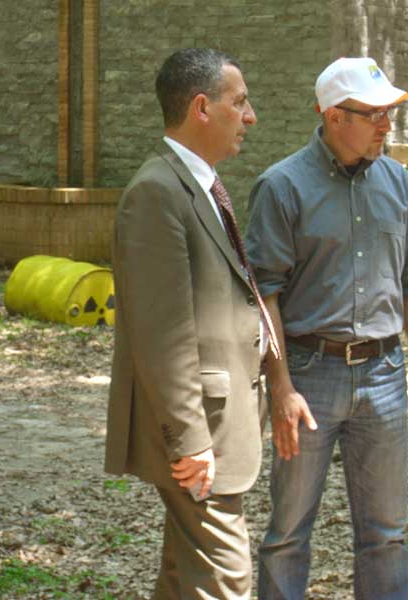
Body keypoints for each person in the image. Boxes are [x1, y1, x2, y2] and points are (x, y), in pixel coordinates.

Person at [245, 57, 408, 600]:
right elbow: (265, 294)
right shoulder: (281, 187)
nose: (386, 126)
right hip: (308, 376)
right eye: (374, 115)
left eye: (389, 114)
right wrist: (280, 387)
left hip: (383, 373)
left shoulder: (399, 183)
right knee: (287, 535)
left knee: (386, 535)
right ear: (334, 116)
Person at [105, 48, 275, 599]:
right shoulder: (156, 193)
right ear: (202, 107)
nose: (250, 117)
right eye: (240, 102)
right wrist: (190, 440)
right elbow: (162, 334)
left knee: (184, 577)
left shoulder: (194, 184)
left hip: (219, 425)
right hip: (200, 433)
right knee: (226, 579)